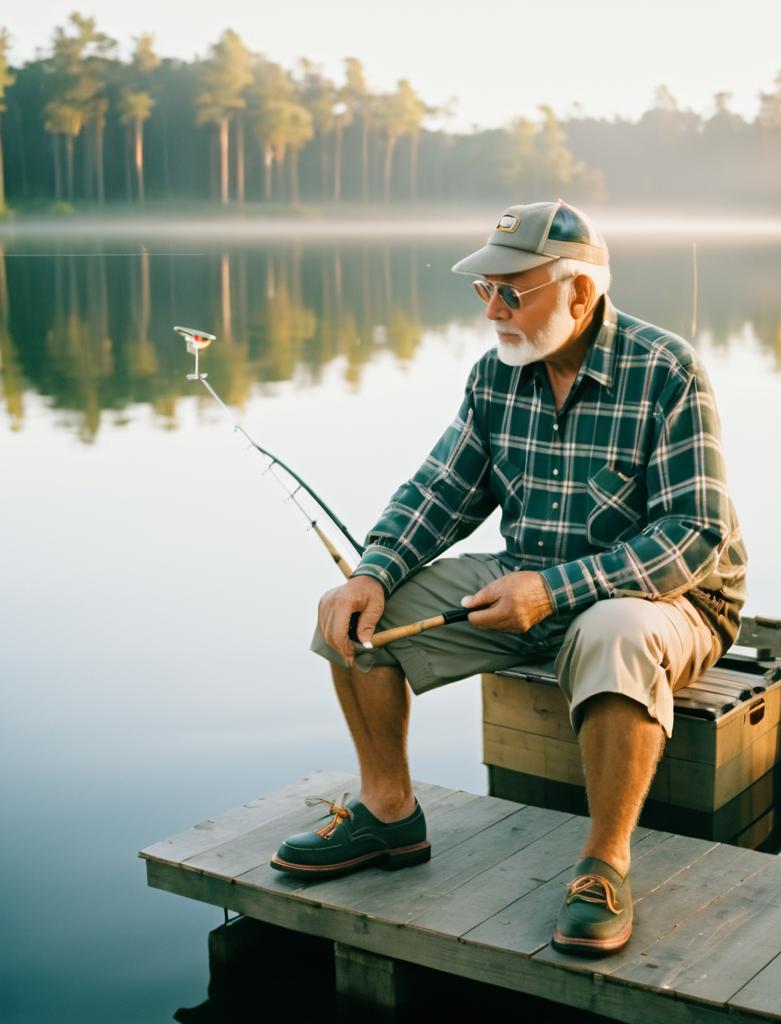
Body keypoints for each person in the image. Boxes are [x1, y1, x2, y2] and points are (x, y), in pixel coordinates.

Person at [271, 199, 748, 957]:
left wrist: (554, 591)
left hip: (672, 601)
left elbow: (695, 536)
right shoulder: (496, 375)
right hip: (527, 579)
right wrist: (369, 573)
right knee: (353, 617)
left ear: (580, 292)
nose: (491, 308)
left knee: (614, 630)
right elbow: (438, 493)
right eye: (483, 290)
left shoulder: (668, 369)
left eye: (510, 290)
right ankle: (389, 813)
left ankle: (603, 864)